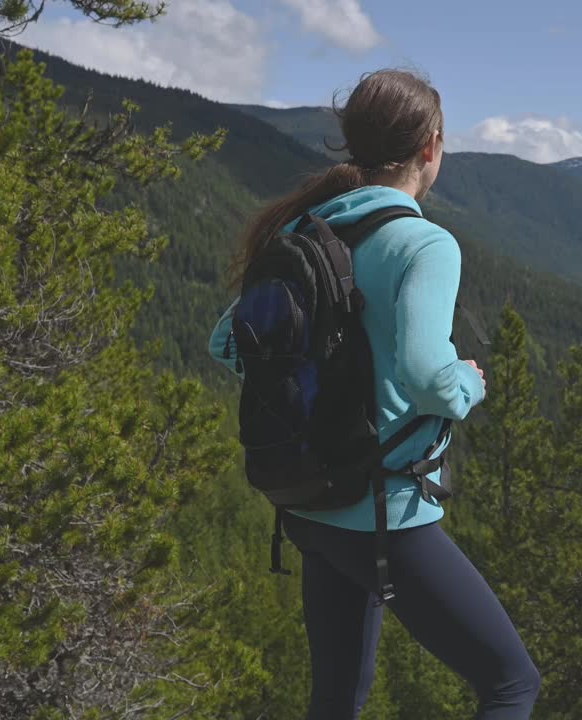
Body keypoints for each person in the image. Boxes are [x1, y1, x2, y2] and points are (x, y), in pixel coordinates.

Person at [206, 69, 540, 720]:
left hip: (310, 504)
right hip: (385, 514)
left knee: (336, 698)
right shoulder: (422, 243)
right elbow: (424, 372)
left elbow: (226, 342)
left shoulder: (303, 227)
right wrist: (467, 383)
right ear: (431, 148)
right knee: (510, 683)